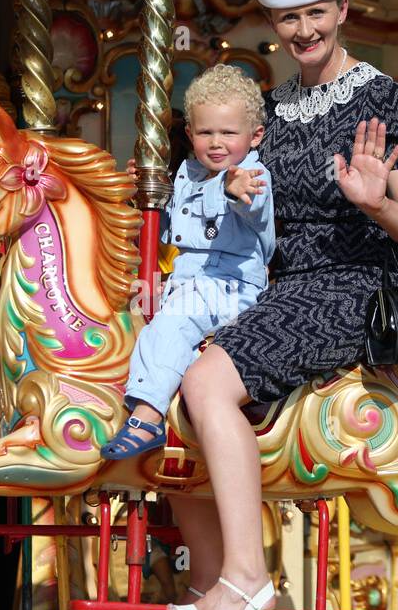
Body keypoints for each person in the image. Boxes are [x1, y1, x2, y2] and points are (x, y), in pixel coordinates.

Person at [149, 0, 398, 610]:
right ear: (275, 23)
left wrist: (376, 202)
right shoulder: (269, 111)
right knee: (161, 375)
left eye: (318, 11)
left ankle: (246, 578)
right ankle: (208, 577)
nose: (304, 28)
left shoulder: (380, 99)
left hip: (356, 282)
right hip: (276, 282)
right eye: (289, 16)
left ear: (343, 9)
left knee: (210, 384)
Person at [101, 64, 275, 460]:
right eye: (205, 132)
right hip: (190, 283)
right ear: (190, 134)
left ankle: (146, 417)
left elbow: (252, 206)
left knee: (173, 322)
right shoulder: (187, 175)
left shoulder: (253, 174)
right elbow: (169, 235)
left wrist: (233, 190)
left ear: (255, 136)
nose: (217, 142)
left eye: (229, 133)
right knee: (121, 311)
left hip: (232, 289)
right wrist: (143, 199)